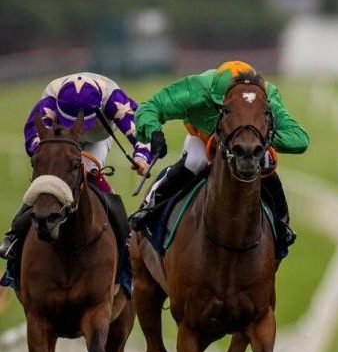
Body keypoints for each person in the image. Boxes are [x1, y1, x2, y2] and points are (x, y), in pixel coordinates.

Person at [129, 61, 309, 254]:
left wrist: (263, 137)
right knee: (194, 162)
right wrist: (154, 132)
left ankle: (282, 226)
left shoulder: (264, 95)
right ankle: (149, 207)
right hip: (204, 139)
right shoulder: (197, 88)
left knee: (267, 167)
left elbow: (300, 138)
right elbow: (150, 107)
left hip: (246, 143)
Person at [0, 72, 149, 260]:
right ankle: (14, 234)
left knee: (91, 172)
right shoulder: (49, 100)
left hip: (97, 140)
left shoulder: (114, 100)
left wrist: (142, 157)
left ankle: (125, 237)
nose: (80, 129)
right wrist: (49, 157)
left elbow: (142, 131)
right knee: (49, 175)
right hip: (60, 138)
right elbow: (33, 137)